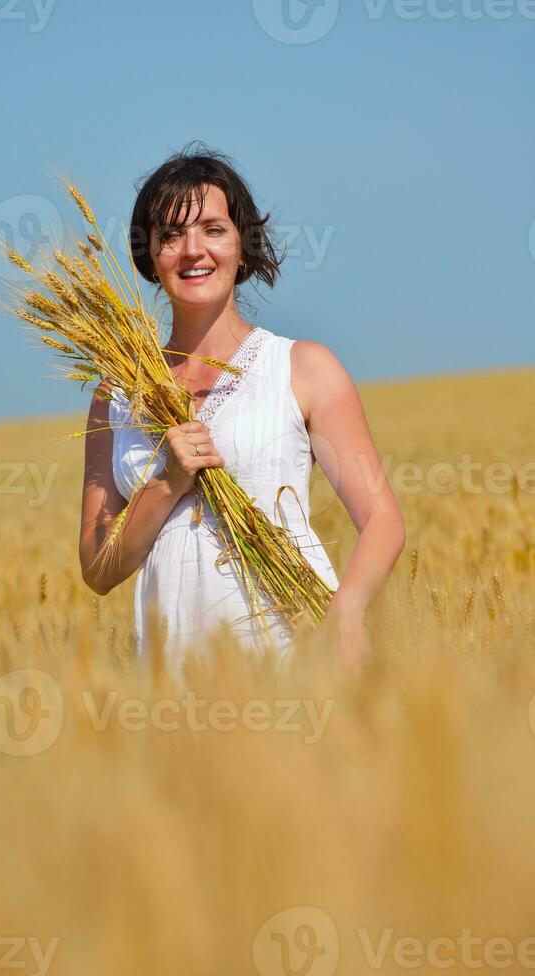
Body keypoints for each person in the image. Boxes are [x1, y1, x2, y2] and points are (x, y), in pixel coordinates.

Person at [79, 142, 406, 673]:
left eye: (213, 229)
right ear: (149, 256)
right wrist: (166, 483)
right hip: (170, 679)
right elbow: (97, 569)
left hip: (293, 660)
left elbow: (384, 520)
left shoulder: (302, 368)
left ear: (242, 244)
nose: (192, 250)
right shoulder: (116, 395)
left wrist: (345, 615)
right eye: (169, 235)